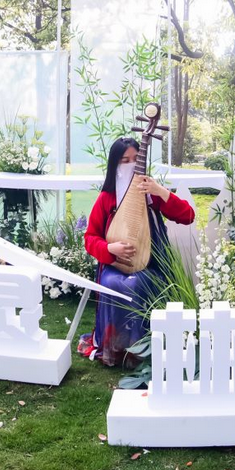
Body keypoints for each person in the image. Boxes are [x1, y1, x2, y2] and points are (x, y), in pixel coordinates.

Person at [80, 136, 195, 368]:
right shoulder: (107, 198)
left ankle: (139, 350)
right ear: (115, 164)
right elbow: (90, 238)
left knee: (136, 284)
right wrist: (109, 249)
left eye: (135, 159)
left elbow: (188, 216)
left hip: (150, 265)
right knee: (112, 283)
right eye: (125, 160)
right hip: (115, 265)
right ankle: (115, 347)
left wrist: (160, 191)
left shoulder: (150, 194)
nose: (131, 165)